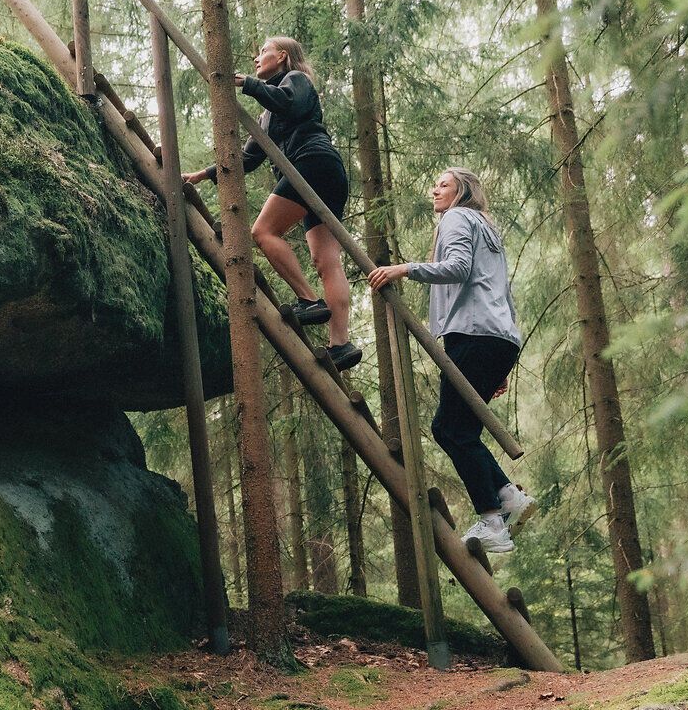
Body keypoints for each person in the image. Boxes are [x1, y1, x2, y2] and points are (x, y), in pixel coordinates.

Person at [368, 167, 535, 554]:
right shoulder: (487, 227)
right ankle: (508, 497)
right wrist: (501, 359)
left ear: (462, 191)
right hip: (498, 338)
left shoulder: (457, 217)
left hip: (474, 335)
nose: (434, 189)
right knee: (459, 430)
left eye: (443, 184)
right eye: (435, 183)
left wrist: (405, 269)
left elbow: (458, 268)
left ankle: (493, 519)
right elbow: (502, 293)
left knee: (448, 429)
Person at [184, 36, 361, 371]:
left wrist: (248, 85)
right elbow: (247, 160)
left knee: (263, 231)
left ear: (282, 56)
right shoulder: (266, 116)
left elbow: (289, 103)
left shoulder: (297, 80)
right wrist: (201, 175)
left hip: (311, 162)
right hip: (325, 172)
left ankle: (309, 301)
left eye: (262, 52)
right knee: (326, 260)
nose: (256, 59)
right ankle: (341, 344)